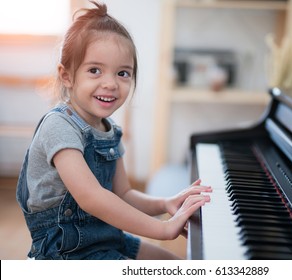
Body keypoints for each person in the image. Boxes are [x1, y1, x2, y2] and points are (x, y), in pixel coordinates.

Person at [16, 1, 211, 260]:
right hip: (66, 251)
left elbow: (124, 194)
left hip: (105, 236)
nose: (110, 84)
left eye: (123, 73)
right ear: (67, 76)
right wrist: (162, 229)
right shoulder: (58, 126)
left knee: (177, 263)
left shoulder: (110, 132)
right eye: (94, 70)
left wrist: (165, 204)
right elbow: (92, 198)